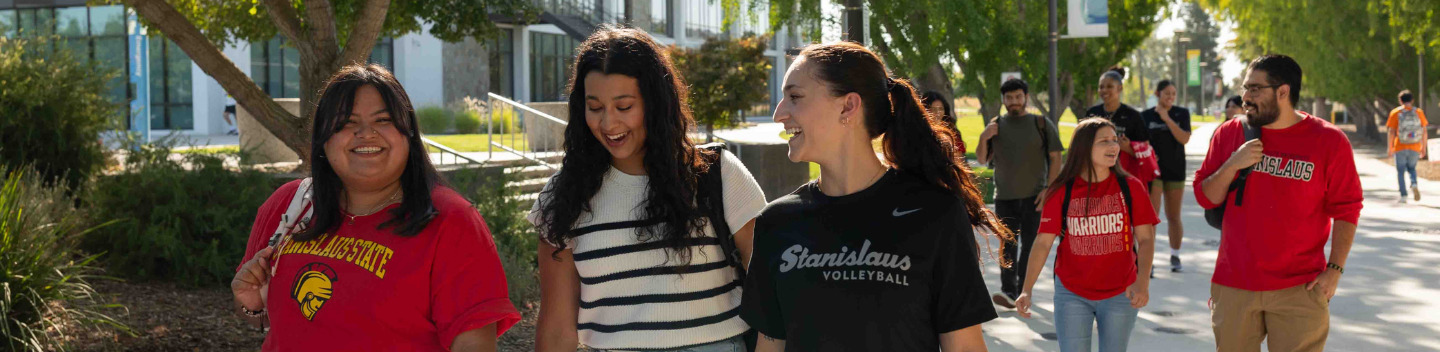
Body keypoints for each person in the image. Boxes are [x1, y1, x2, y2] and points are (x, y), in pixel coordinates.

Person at [231, 64, 521, 351]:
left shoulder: (452, 221)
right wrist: (251, 306)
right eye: (346, 122)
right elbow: (269, 322)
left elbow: (473, 344)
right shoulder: (289, 205)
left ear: (408, 134)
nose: (366, 133)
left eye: (383, 120)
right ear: (323, 140)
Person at [740, 42, 1006, 352]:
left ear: (848, 106)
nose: (778, 114)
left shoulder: (935, 213)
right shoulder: (776, 223)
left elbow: (964, 347)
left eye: (795, 97)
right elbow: (770, 346)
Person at [530, 26, 768, 352]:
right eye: (595, 107)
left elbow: (772, 291)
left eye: (624, 106)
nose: (609, 124)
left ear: (655, 102)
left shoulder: (717, 174)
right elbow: (557, 328)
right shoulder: (561, 197)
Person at [1195, 54, 1363, 352]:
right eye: (1245, 87)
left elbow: (1347, 209)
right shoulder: (1231, 133)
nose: (1245, 97)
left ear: (1283, 92)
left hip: (1300, 287)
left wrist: (1334, 270)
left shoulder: (1329, 140)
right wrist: (1233, 163)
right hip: (1235, 283)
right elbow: (1205, 196)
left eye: (1255, 89)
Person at [1015, 118, 1158, 352]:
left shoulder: (1131, 187)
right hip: (1072, 293)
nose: (1114, 146)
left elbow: (1145, 239)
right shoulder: (1061, 190)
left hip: (1121, 292)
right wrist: (1026, 289)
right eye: (1104, 141)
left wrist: (1142, 282)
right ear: (1083, 148)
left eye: (1114, 140)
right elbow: (1043, 243)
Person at [975, 78, 1064, 308]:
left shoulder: (1041, 124)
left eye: (1018, 97)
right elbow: (983, 159)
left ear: (1026, 97)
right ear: (1003, 100)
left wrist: (1049, 190)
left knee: (1030, 245)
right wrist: (984, 136)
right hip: (1004, 197)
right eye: (1009, 98)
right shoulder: (995, 125)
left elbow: (1056, 157)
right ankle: (1008, 290)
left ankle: (1024, 290)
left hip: (1035, 197)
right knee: (1007, 245)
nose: (1014, 102)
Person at [1140, 80, 1191, 272]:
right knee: (1152, 217)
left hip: (1176, 170)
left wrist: (1167, 118)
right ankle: (1149, 261)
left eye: (1173, 94)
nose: (1170, 97)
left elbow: (1184, 138)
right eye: (1166, 94)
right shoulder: (1145, 116)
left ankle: (1175, 255)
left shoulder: (1181, 113)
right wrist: (1148, 151)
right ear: (1157, 94)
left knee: (1173, 216)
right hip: (1153, 172)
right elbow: (1140, 141)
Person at [1387, 89, 1428, 203]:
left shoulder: (1395, 113)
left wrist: (1390, 148)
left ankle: (1403, 195)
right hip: (1415, 146)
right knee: (1412, 168)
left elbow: (1391, 132)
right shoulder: (1419, 112)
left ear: (1400, 100)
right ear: (1412, 100)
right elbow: (1424, 131)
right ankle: (1414, 183)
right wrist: (1423, 148)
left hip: (1400, 146)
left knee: (1400, 171)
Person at [922, 91, 967, 159]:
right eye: (933, 109)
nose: (937, 113)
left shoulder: (953, 133)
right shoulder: (919, 132)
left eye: (941, 109)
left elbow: (959, 160)